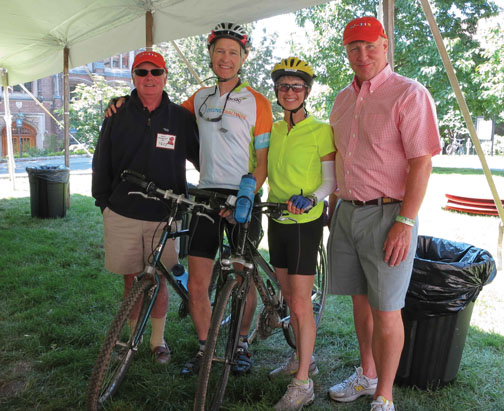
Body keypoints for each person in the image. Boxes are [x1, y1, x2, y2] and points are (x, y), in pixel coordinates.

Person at [326, 16, 441, 411]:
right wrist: (332, 208)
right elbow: (340, 157)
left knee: (387, 308)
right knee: (361, 301)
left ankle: (384, 396)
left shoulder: (409, 94)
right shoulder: (341, 99)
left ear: (385, 44)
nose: (363, 55)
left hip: (389, 215)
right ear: (347, 52)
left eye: (370, 45)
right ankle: (367, 373)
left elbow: (422, 163)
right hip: (346, 213)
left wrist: (405, 223)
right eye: (354, 48)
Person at [92, 51, 199, 365]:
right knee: (131, 279)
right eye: (142, 72)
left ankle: (157, 340)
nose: (149, 78)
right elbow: (102, 161)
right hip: (122, 211)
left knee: (159, 279)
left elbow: (201, 158)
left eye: (156, 72)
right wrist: (104, 203)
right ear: (133, 78)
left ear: (165, 76)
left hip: (163, 216)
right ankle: (132, 338)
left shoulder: (180, 117)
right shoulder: (117, 114)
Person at [180, 22, 272, 377]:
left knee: (240, 276)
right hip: (205, 194)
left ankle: (241, 343)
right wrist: (123, 103)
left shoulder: (258, 102)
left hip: (243, 196)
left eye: (234, 52)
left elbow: (262, 164)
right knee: (199, 281)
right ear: (211, 55)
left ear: (244, 58)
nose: (226, 58)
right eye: (220, 51)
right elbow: (165, 117)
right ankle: (205, 348)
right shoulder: (200, 97)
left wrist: (245, 198)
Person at [266, 57, 336, 410]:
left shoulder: (321, 130)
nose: (289, 92)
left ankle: (303, 382)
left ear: (306, 92)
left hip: (303, 223)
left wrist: (311, 199)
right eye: (283, 86)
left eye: (296, 87)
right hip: (275, 219)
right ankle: (300, 359)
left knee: (299, 302)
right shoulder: (274, 130)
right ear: (277, 92)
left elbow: (330, 181)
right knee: (286, 294)